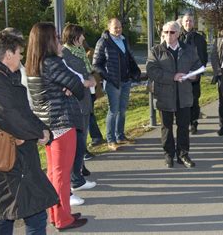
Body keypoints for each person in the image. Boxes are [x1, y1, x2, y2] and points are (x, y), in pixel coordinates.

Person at [0, 32, 59, 235]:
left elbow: (21, 114)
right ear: (8, 54)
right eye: (20, 53)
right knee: (35, 215)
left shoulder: (3, 77)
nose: (22, 58)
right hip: (11, 163)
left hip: (8, 161)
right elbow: (13, 117)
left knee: (6, 215)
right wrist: (41, 133)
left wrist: (43, 130)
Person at [25, 22, 88, 231]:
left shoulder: (34, 64)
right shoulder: (53, 62)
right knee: (61, 174)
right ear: (48, 40)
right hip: (61, 122)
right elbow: (78, 87)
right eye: (56, 37)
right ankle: (63, 219)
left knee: (54, 172)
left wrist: (65, 87)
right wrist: (67, 87)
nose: (60, 41)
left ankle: (57, 213)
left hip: (47, 125)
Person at [146, 21, 201, 168]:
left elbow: (197, 66)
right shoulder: (156, 50)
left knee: (183, 127)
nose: (168, 35)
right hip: (164, 95)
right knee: (166, 127)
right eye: (165, 32)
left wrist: (193, 75)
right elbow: (151, 70)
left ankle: (183, 155)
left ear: (178, 33)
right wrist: (172, 77)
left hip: (184, 95)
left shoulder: (189, 49)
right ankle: (168, 154)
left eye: (172, 32)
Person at [93, 18, 141, 151]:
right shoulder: (103, 42)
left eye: (120, 27)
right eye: (115, 27)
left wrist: (135, 71)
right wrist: (108, 77)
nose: (118, 29)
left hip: (126, 81)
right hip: (113, 83)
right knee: (113, 111)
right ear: (109, 28)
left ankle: (120, 136)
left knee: (123, 110)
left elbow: (129, 58)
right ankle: (111, 140)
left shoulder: (124, 40)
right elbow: (96, 64)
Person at [61, 24, 98, 196]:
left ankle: (78, 177)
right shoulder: (66, 55)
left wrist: (91, 78)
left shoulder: (80, 52)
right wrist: (86, 80)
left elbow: (87, 71)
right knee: (78, 144)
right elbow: (72, 77)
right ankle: (75, 180)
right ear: (74, 37)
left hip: (85, 101)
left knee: (81, 143)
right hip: (76, 104)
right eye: (81, 36)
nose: (84, 39)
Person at [179, 13, 208, 134]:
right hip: (181, 74)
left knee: (194, 100)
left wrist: (198, 71)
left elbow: (203, 56)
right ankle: (184, 122)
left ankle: (194, 122)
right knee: (182, 100)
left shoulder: (200, 38)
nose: (188, 23)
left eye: (190, 21)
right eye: (186, 21)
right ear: (182, 22)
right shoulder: (177, 36)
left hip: (195, 75)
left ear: (193, 23)